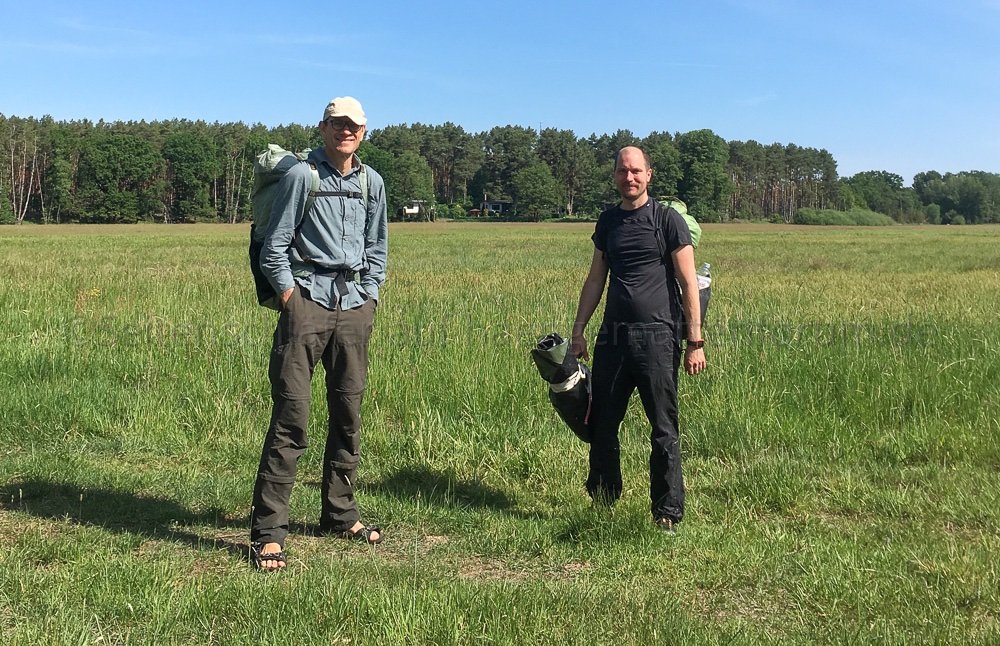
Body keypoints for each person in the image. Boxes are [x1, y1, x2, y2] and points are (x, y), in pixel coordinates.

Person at [250, 96, 388, 571]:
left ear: (363, 132)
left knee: (348, 413)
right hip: (306, 303)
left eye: (354, 125)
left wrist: (370, 294)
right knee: (292, 417)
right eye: (338, 123)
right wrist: (290, 296)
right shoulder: (301, 176)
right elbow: (274, 246)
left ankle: (340, 514)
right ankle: (269, 533)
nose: (346, 131)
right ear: (324, 127)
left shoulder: (372, 183)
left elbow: (377, 246)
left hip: (354, 307)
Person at [570, 146, 706, 534]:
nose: (628, 177)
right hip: (613, 339)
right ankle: (603, 499)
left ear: (649, 175)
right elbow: (595, 279)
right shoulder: (608, 222)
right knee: (602, 424)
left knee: (663, 428)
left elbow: (688, 283)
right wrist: (579, 330)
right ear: (615, 176)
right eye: (621, 171)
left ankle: (667, 512)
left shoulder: (667, 220)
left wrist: (694, 341)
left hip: (658, 338)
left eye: (635, 171)